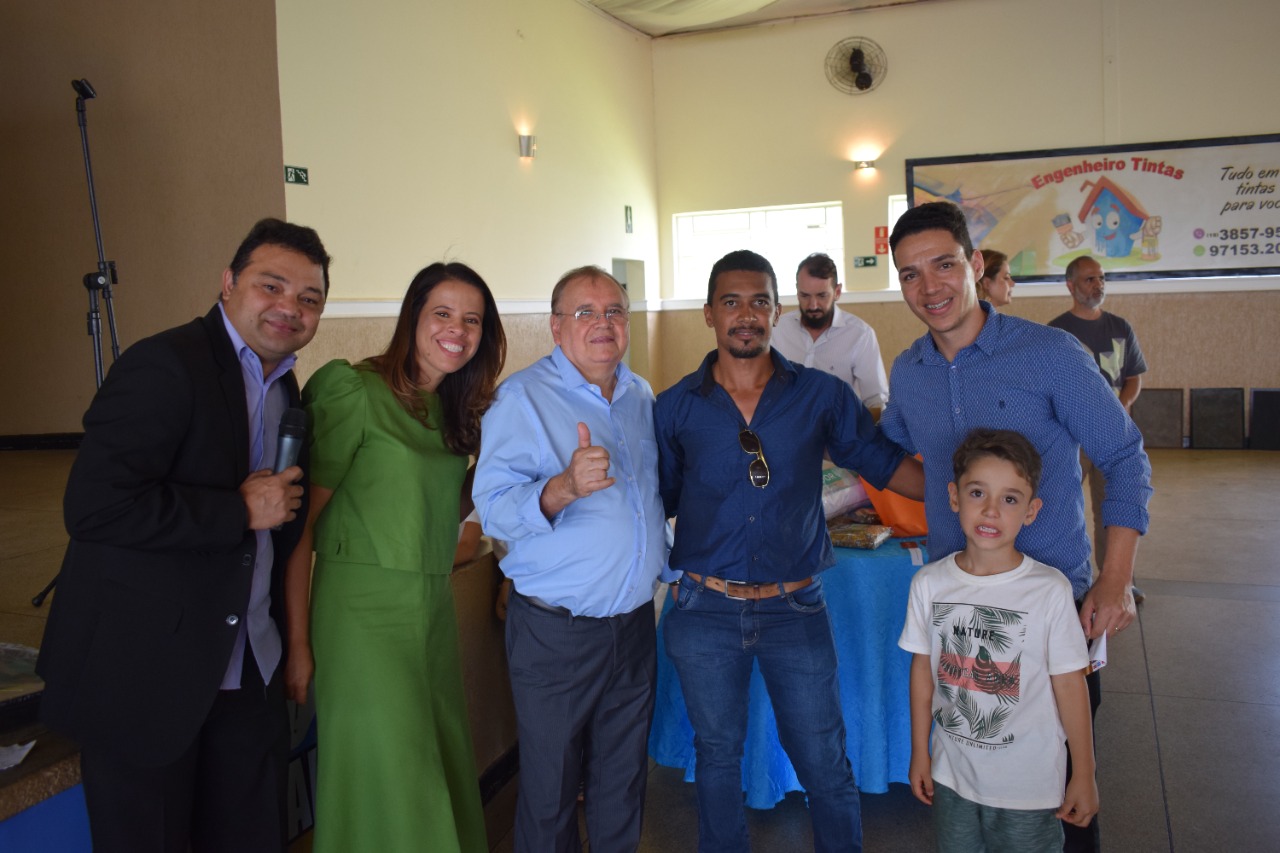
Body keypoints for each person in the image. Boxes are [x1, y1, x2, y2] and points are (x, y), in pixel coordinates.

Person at [36, 218, 330, 853]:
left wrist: (292, 644)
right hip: (149, 679)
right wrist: (235, 511)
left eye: (309, 298)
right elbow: (94, 506)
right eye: (272, 286)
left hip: (248, 670)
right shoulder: (164, 364)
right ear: (228, 283)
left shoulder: (285, 388)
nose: (290, 307)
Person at [881, 201, 1152, 852]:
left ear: (975, 264)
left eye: (944, 265)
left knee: (1062, 795)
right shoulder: (910, 372)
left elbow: (1123, 457)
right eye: (911, 274)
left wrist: (1115, 578)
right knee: (974, 768)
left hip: (1054, 606)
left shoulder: (1049, 354)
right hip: (961, 613)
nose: (930, 287)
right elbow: (900, 462)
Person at [654, 249, 924, 853]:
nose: (746, 315)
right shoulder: (674, 407)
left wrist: (960, 493)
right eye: (731, 302)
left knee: (824, 759)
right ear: (709, 314)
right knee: (717, 756)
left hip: (794, 608)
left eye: (759, 302)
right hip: (705, 608)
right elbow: (661, 500)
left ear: (778, 312)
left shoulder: (821, 396)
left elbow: (880, 463)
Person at [283, 263, 505, 853]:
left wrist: (501, 462)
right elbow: (298, 529)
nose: (458, 329)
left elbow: (441, 508)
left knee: (436, 761)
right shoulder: (355, 391)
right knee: (392, 774)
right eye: (443, 313)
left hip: (429, 611)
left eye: (472, 320)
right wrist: (298, 644)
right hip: (362, 616)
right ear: (413, 316)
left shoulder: (453, 409)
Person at [472, 265, 672, 853]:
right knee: (551, 791)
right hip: (555, 634)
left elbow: (648, 502)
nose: (602, 323)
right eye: (585, 312)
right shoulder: (522, 399)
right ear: (556, 327)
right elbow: (493, 509)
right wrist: (560, 488)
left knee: (622, 783)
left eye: (614, 311)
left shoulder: (639, 395)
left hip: (633, 626)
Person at [900, 428, 1097, 853]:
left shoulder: (1049, 590)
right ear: (954, 497)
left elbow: (1070, 684)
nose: (991, 511)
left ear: (1031, 510)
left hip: (1028, 788)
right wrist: (920, 752)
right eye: (977, 493)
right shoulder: (929, 584)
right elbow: (922, 673)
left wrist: (1084, 773)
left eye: (1010, 499)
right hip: (953, 777)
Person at [1048, 255, 1148, 573]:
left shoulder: (1120, 327)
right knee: (1059, 507)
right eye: (1090, 279)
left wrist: (1119, 408)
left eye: (1102, 278)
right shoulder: (1056, 332)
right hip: (1070, 439)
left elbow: (1133, 377)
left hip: (1111, 438)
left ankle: (1114, 579)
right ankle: (1060, 577)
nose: (1098, 285)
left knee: (1112, 510)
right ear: (1071, 285)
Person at [771, 251, 890, 416]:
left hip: (838, 426)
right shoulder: (777, 329)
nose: (813, 305)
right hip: (786, 423)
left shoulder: (860, 335)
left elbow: (876, 399)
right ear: (797, 291)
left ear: (837, 292)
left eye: (822, 296)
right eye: (805, 296)